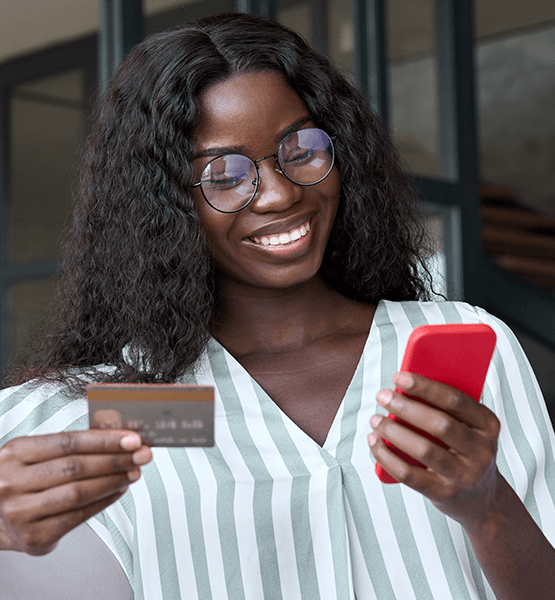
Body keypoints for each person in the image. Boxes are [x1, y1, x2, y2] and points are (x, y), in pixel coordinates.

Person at [1, 12, 554, 600]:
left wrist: (489, 507)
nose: (283, 193)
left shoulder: (468, 344)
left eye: (301, 147)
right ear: (161, 206)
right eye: (224, 174)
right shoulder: (114, 408)